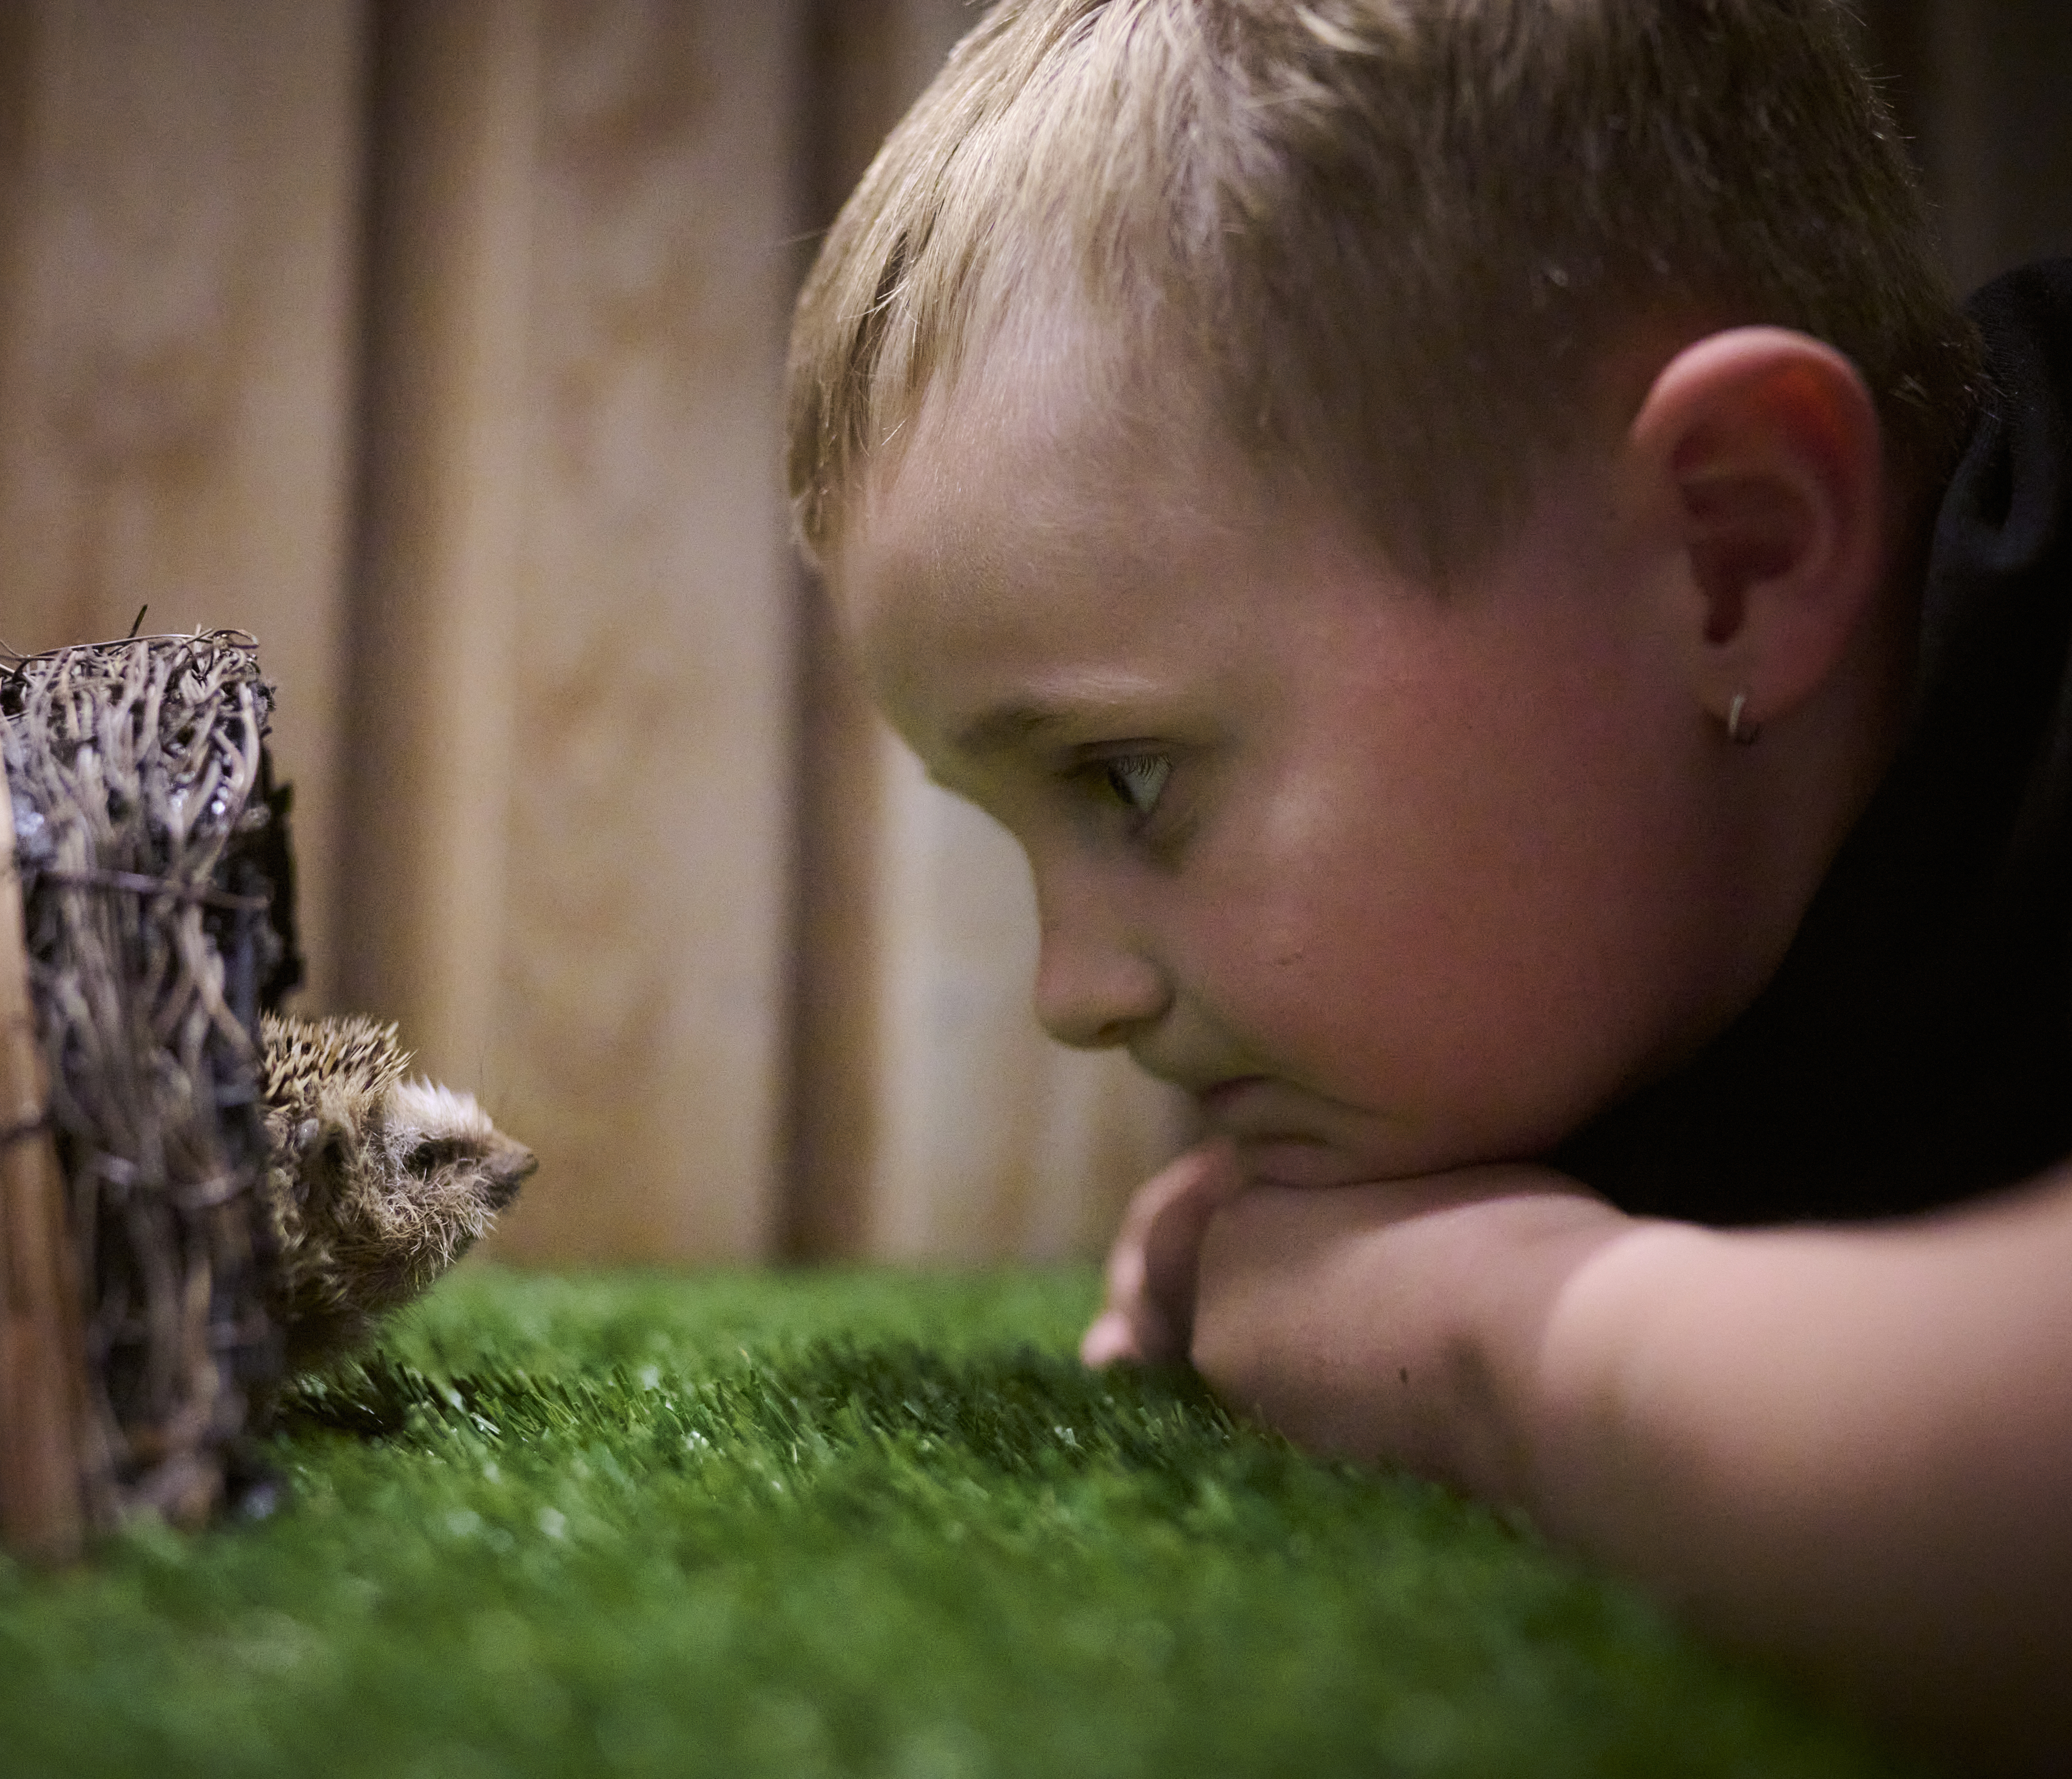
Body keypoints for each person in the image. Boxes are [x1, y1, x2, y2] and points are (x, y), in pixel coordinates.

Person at [783, 0, 2072, 1768]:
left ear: (1735, 554)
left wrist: (1496, 1333)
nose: (1071, 993)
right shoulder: (1623, 954)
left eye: (1126, 779)